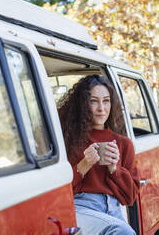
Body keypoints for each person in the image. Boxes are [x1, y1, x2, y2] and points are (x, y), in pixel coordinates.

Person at [58, 75, 140, 235]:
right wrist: (83, 165)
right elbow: (58, 192)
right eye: (94, 101)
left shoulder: (123, 143)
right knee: (123, 231)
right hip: (80, 207)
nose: (101, 108)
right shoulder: (68, 139)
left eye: (106, 101)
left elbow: (129, 198)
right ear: (83, 105)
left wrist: (114, 169)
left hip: (113, 209)